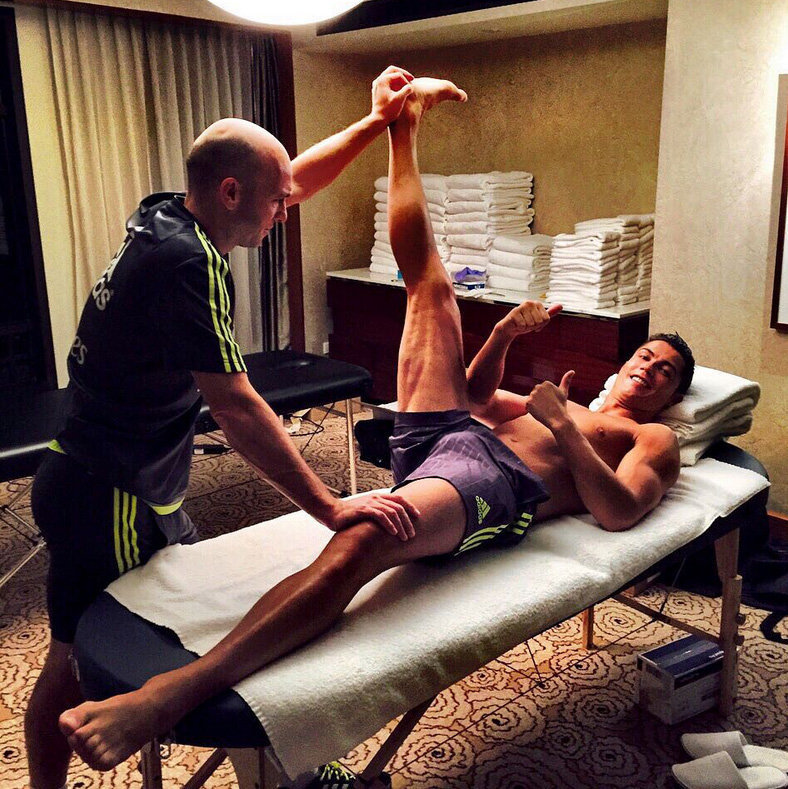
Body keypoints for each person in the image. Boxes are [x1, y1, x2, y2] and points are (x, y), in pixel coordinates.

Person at [57, 75, 694, 774]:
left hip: (495, 480)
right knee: (431, 283)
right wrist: (506, 334)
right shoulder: (566, 401)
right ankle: (405, 126)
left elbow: (621, 511)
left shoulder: (649, 437)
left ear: (673, 396)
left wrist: (563, 430)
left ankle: (173, 692)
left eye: (665, 372)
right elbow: (477, 397)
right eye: (644, 355)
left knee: (364, 537)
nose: (648, 369)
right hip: (454, 437)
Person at [25, 66, 425, 789]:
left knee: (203, 621)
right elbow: (237, 409)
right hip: (112, 494)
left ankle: (281, 770)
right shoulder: (191, 261)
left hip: (104, 479)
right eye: (274, 202)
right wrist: (331, 506)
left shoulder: (166, 214)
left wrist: (375, 123)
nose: (285, 212)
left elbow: (289, 181)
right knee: (84, 656)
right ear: (231, 192)